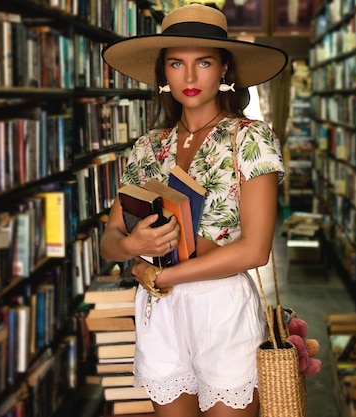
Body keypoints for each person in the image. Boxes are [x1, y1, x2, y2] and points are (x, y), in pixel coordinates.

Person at [99, 4, 288, 417]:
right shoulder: (148, 148)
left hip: (221, 309)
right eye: (175, 64)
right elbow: (109, 244)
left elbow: (255, 251)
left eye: (203, 62)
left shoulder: (249, 138)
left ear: (224, 69)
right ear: (163, 73)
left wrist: (155, 272)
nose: (188, 77)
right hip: (158, 311)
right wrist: (132, 244)